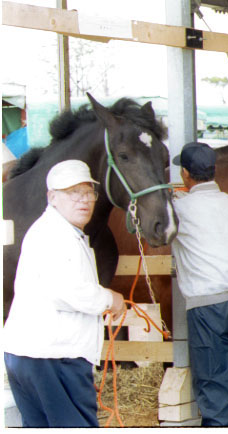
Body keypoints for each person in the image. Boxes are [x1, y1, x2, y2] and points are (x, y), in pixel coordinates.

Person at [4, 159, 126, 428]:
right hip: (55, 355)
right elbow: (72, 292)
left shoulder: (56, 230)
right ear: (52, 197)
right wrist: (110, 299)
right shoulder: (55, 235)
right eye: (73, 193)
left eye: (88, 193)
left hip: (31, 353)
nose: (83, 200)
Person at [171, 142, 228, 426]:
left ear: (185, 174)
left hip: (208, 307)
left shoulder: (180, 208)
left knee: (214, 381)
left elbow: (153, 228)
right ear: (213, 171)